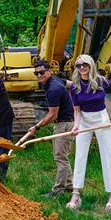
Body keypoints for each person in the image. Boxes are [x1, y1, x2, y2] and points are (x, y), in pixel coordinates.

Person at [66, 54, 111, 211]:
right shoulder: (75, 86)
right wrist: (76, 126)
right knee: (80, 155)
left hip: (101, 119)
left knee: (107, 154)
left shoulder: (102, 81)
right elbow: (77, 110)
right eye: (78, 65)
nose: (82, 68)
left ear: (91, 65)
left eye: (84, 64)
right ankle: (75, 194)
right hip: (84, 121)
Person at [29, 60, 74, 198]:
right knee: (62, 155)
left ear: (49, 71)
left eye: (42, 72)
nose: (39, 75)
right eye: (36, 73)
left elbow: (52, 115)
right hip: (65, 121)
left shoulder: (53, 89)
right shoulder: (56, 81)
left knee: (60, 157)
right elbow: (72, 85)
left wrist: (37, 126)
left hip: (64, 124)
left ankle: (58, 190)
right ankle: (70, 185)